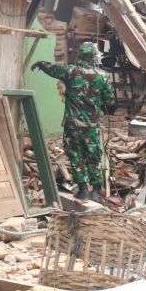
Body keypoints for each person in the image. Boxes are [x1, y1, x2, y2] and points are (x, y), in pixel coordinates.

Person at [31, 41, 115, 202]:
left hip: (73, 124)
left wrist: (40, 64)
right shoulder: (103, 77)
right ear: (94, 56)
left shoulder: (70, 72)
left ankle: (82, 189)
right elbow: (110, 102)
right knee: (93, 156)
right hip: (92, 126)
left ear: (80, 55)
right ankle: (96, 191)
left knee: (76, 155)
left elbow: (52, 69)